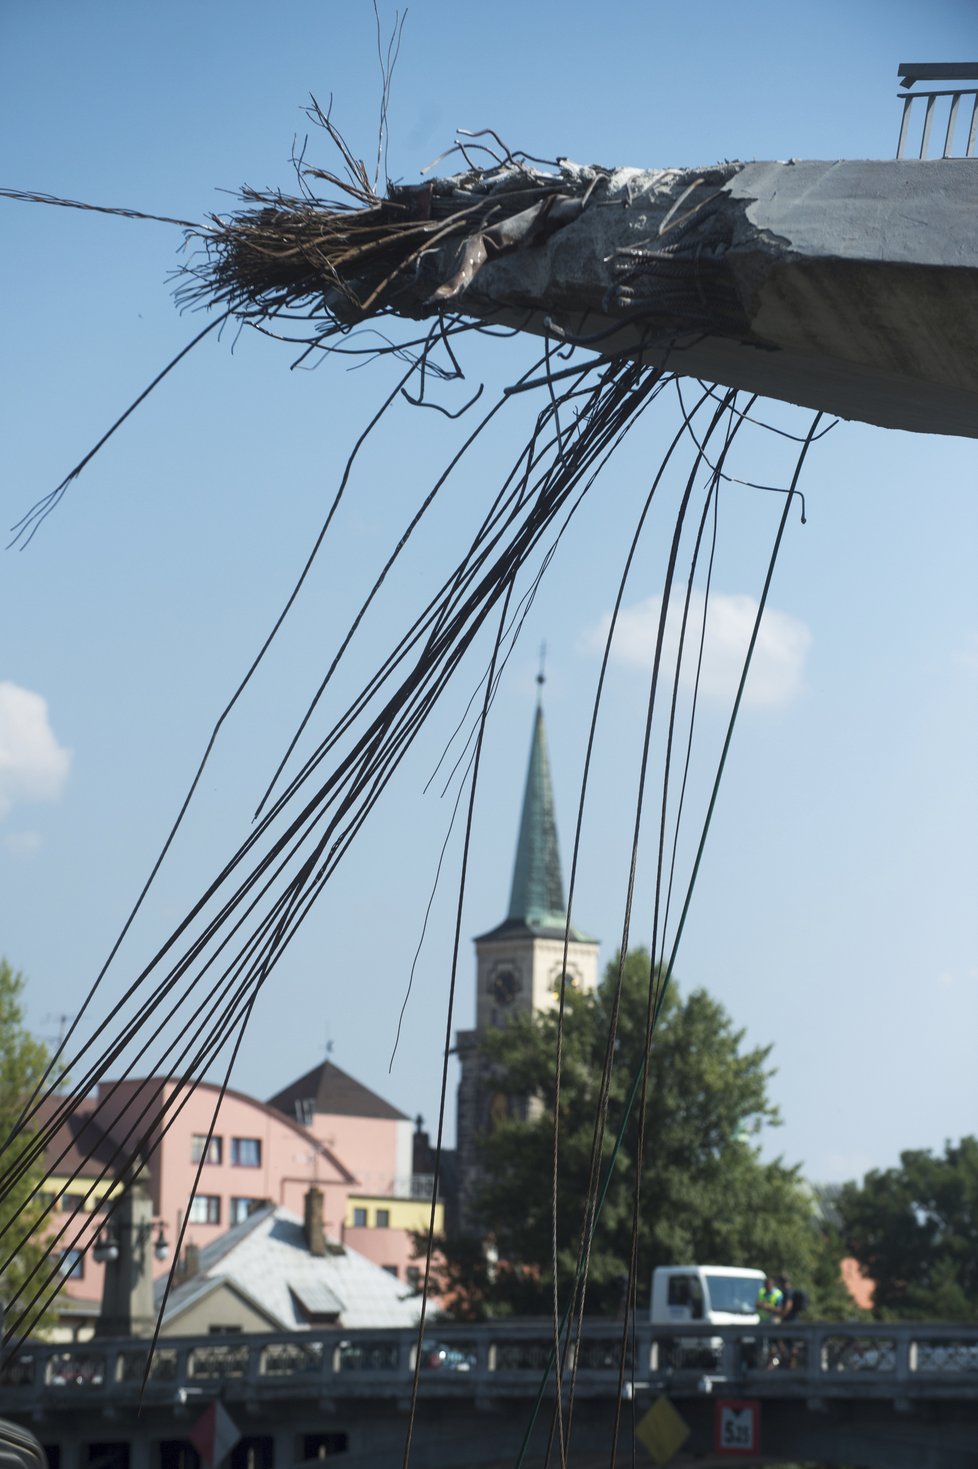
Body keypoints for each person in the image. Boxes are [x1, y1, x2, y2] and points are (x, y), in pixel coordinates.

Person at [777, 1274, 809, 1368]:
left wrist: (780, 1316)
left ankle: (791, 1366)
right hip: (794, 1320)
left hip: (789, 1322)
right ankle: (791, 1365)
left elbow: (788, 1305)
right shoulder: (792, 1291)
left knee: (786, 1344)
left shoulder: (787, 1292)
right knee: (790, 1344)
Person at [756, 1274, 784, 1367]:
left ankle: (775, 1362)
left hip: (773, 1322)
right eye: (765, 1285)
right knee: (761, 1344)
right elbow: (757, 1303)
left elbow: (780, 1310)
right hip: (762, 1322)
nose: (766, 1287)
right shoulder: (761, 1292)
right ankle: (762, 1363)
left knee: (772, 1343)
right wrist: (760, 1305)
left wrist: (768, 1307)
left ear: (772, 1285)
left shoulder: (777, 1294)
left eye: (768, 1285)